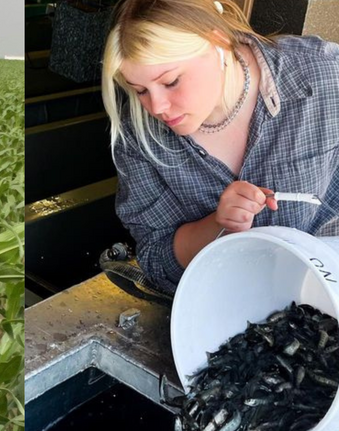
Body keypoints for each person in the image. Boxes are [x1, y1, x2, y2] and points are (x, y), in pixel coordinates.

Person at [101, 0, 339, 293]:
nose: (157, 107)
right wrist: (217, 225)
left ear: (217, 41)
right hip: (220, 300)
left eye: (171, 82)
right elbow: (157, 260)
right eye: (140, 91)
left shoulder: (322, 74)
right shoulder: (140, 136)